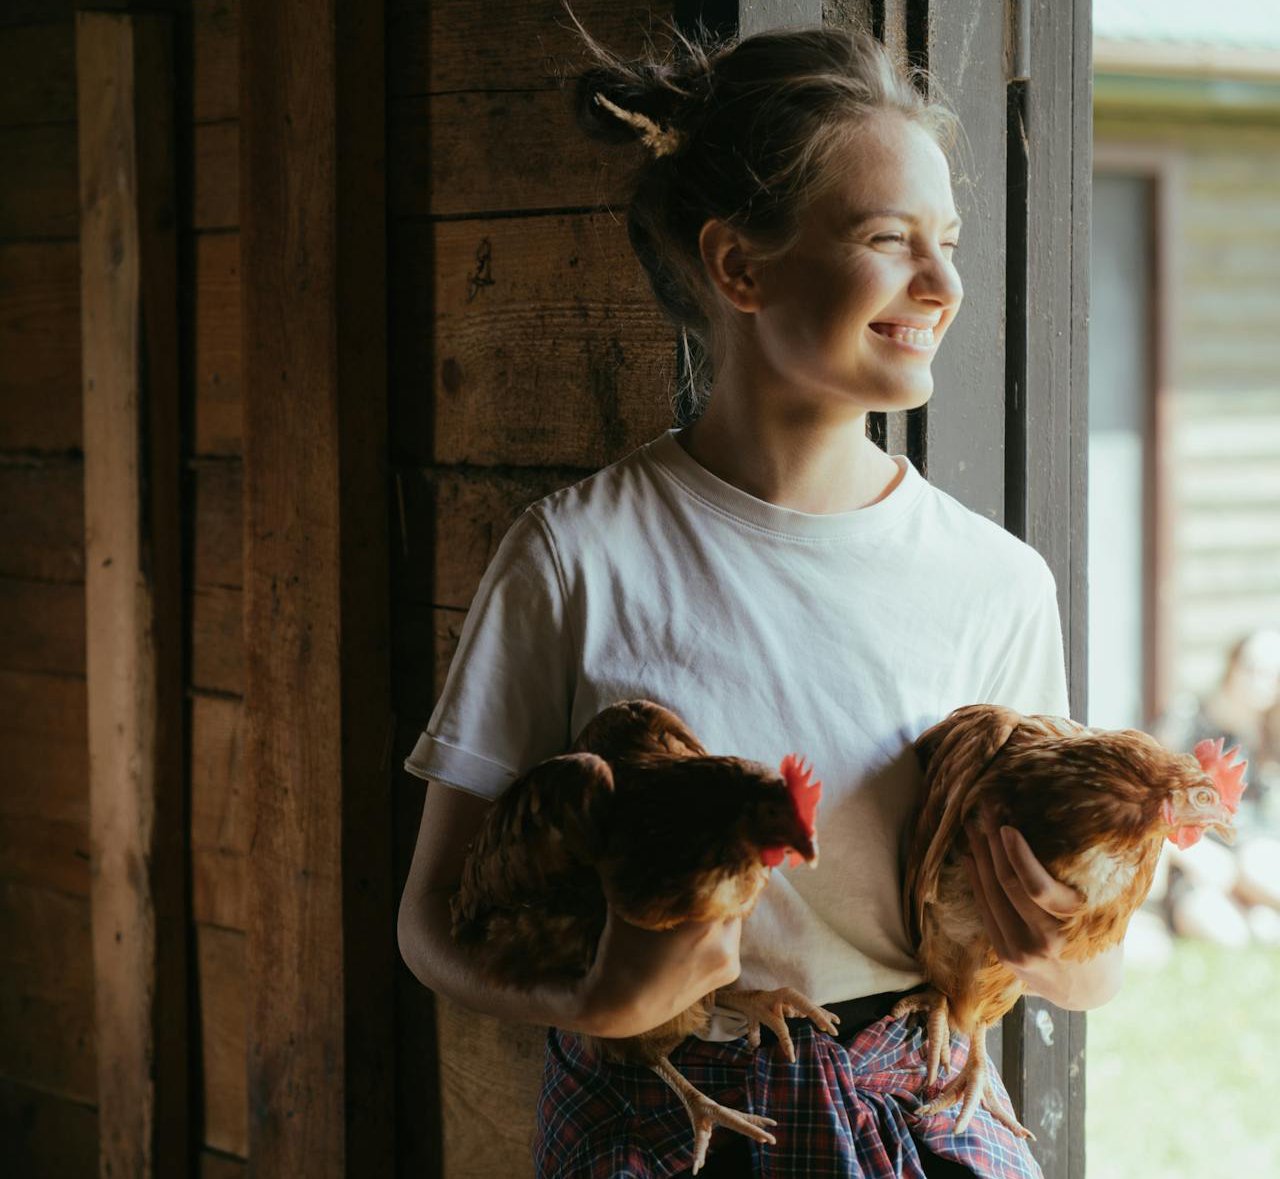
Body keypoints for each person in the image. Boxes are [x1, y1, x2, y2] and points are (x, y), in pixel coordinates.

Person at [396, 13, 1122, 1178]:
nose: (940, 283)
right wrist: (589, 999)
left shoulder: (994, 581)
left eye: (946, 239)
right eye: (890, 239)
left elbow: (1084, 974)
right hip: (661, 1122)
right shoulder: (578, 558)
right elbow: (428, 923)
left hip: (921, 1124)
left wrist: (1059, 941)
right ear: (738, 264)